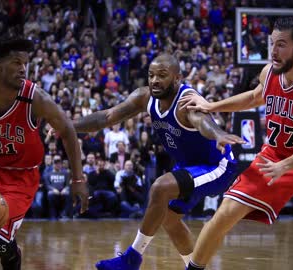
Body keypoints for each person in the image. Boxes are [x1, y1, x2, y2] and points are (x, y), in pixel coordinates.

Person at [180, 18, 293, 270]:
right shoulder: (269, 72)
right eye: (272, 44)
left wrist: (285, 166)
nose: (273, 51)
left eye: (281, 45)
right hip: (275, 156)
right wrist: (213, 105)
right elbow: (255, 96)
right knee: (224, 213)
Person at [62, 53, 244, 270]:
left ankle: (132, 258)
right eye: (151, 75)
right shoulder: (144, 97)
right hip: (189, 166)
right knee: (169, 218)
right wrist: (68, 125)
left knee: (159, 188)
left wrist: (218, 134)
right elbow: (107, 117)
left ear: (177, 79)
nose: (155, 80)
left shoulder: (186, 101)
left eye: (162, 75)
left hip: (217, 166)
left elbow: (202, 120)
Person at [0, 37, 88, 270]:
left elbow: (68, 130)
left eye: (25, 63)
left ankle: (13, 258)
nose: (23, 68)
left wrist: (78, 178)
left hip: (18, 177)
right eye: (16, 62)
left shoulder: (36, 99)